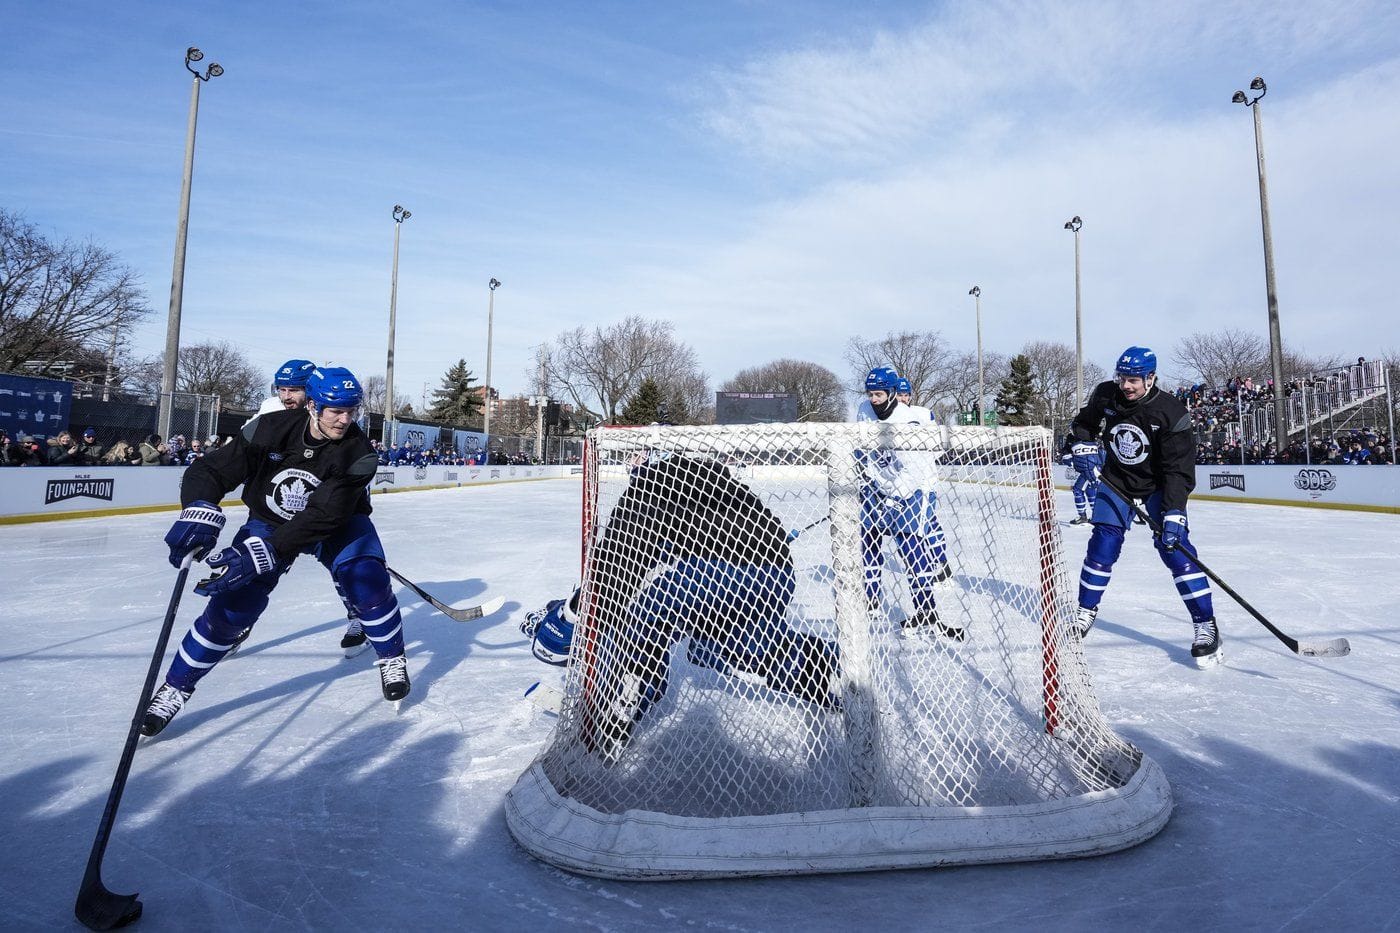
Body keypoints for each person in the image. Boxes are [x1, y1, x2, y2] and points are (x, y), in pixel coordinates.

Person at [520, 450, 840, 763]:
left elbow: (621, 563)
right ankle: (826, 666)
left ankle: (620, 707)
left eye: (640, 456)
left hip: (735, 574)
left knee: (653, 608)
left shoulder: (654, 491)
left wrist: (570, 614)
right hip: (773, 578)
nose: (634, 463)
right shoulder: (692, 479)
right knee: (718, 649)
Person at [142, 366, 410, 736]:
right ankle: (175, 688)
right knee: (234, 603)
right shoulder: (269, 427)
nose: (345, 419)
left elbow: (325, 514)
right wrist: (199, 506)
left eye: (352, 410)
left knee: (365, 578)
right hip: (269, 520)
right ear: (313, 405)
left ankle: (391, 657)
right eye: (336, 411)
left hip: (336, 523)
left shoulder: (359, 451)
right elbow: (213, 469)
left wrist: (270, 549)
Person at [1067, 346, 1220, 667]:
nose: (1126, 386)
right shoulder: (1106, 395)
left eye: (1133, 380)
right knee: (1103, 543)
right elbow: (1084, 423)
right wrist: (1081, 442)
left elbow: (1179, 470)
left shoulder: (1171, 412)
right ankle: (1086, 609)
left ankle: (1205, 624)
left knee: (1175, 549)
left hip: (1160, 486)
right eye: (1122, 378)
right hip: (1117, 479)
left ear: (1150, 378)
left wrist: (1175, 511)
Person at [854, 366, 954, 637]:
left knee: (911, 548)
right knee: (868, 538)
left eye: (878, 394)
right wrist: (866, 478)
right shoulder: (864, 410)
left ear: (892, 393)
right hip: (880, 487)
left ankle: (926, 610)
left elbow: (915, 469)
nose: (873, 399)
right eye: (870, 393)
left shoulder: (908, 420)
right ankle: (871, 599)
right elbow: (860, 448)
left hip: (914, 490)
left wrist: (896, 498)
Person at [1059, 435, 1103, 525]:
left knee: (1078, 490)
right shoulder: (1073, 437)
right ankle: (1097, 516)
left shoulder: (1088, 435)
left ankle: (1084, 517)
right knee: (1090, 490)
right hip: (1092, 467)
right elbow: (1066, 452)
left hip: (1091, 468)